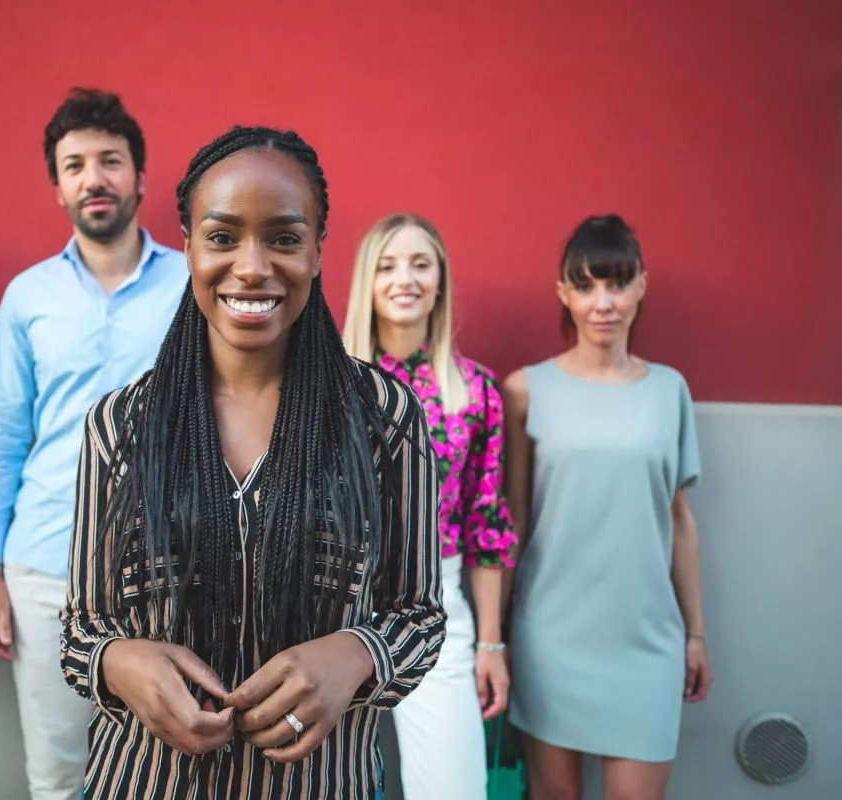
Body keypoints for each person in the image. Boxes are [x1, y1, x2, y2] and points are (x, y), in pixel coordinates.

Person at [59, 126, 446, 799]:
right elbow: (81, 629)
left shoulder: (386, 419)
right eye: (223, 236)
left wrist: (354, 655)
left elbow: (418, 612)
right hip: (145, 782)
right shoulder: (120, 425)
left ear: (319, 251)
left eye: (284, 239)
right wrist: (121, 662)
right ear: (187, 247)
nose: (252, 266)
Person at [0, 87, 187, 800]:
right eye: (76, 165)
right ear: (57, 185)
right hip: (45, 569)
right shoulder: (28, 296)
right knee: (61, 774)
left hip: (174, 568)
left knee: (170, 763)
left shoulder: (193, 284)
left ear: (140, 178)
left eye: (110, 161)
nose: (94, 178)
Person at [503, 214, 713, 800]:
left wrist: (696, 634)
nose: (603, 303)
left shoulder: (669, 390)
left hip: (647, 641)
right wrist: (493, 640)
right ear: (563, 293)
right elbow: (514, 521)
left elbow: (680, 520)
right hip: (550, 634)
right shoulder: (525, 389)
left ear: (641, 285)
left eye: (617, 284)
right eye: (587, 285)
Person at [342, 212, 516, 800]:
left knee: (454, 789)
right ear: (367, 281)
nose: (404, 279)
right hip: (331, 604)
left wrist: (490, 644)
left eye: (420, 264)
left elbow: (486, 525)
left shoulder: (474, 391)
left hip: (434, 603)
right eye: (388, 266)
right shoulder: (327, 386)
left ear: (440, 280)